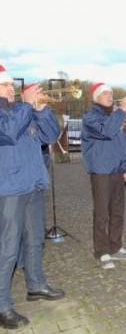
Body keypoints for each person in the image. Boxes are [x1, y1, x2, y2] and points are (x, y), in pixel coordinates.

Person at [0, 66, 64, 330]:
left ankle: (35, 285)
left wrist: (41, 110)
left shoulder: (21, 110)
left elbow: (50, 135)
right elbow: (8, 133)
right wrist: (27, 106)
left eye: (10, 84)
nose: (10, 88)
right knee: (8, 249)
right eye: (4, 85)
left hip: (33, 184)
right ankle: (2, 305)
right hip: (9, 189)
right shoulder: (11, 113)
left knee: (36, 239)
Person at [81, 83, 126, 269]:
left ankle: (115, 246)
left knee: (118, 211)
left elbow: (120, 146)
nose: (110, 96)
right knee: (102, 213)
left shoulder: (113, 118)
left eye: (111, 93)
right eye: (105, 93)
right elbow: (106, 131)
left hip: (116, 171)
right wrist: (121, 112)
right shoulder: (90, 118)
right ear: (96, 97)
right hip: (101, 171)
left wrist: (125, 169)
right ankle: (102, 251)